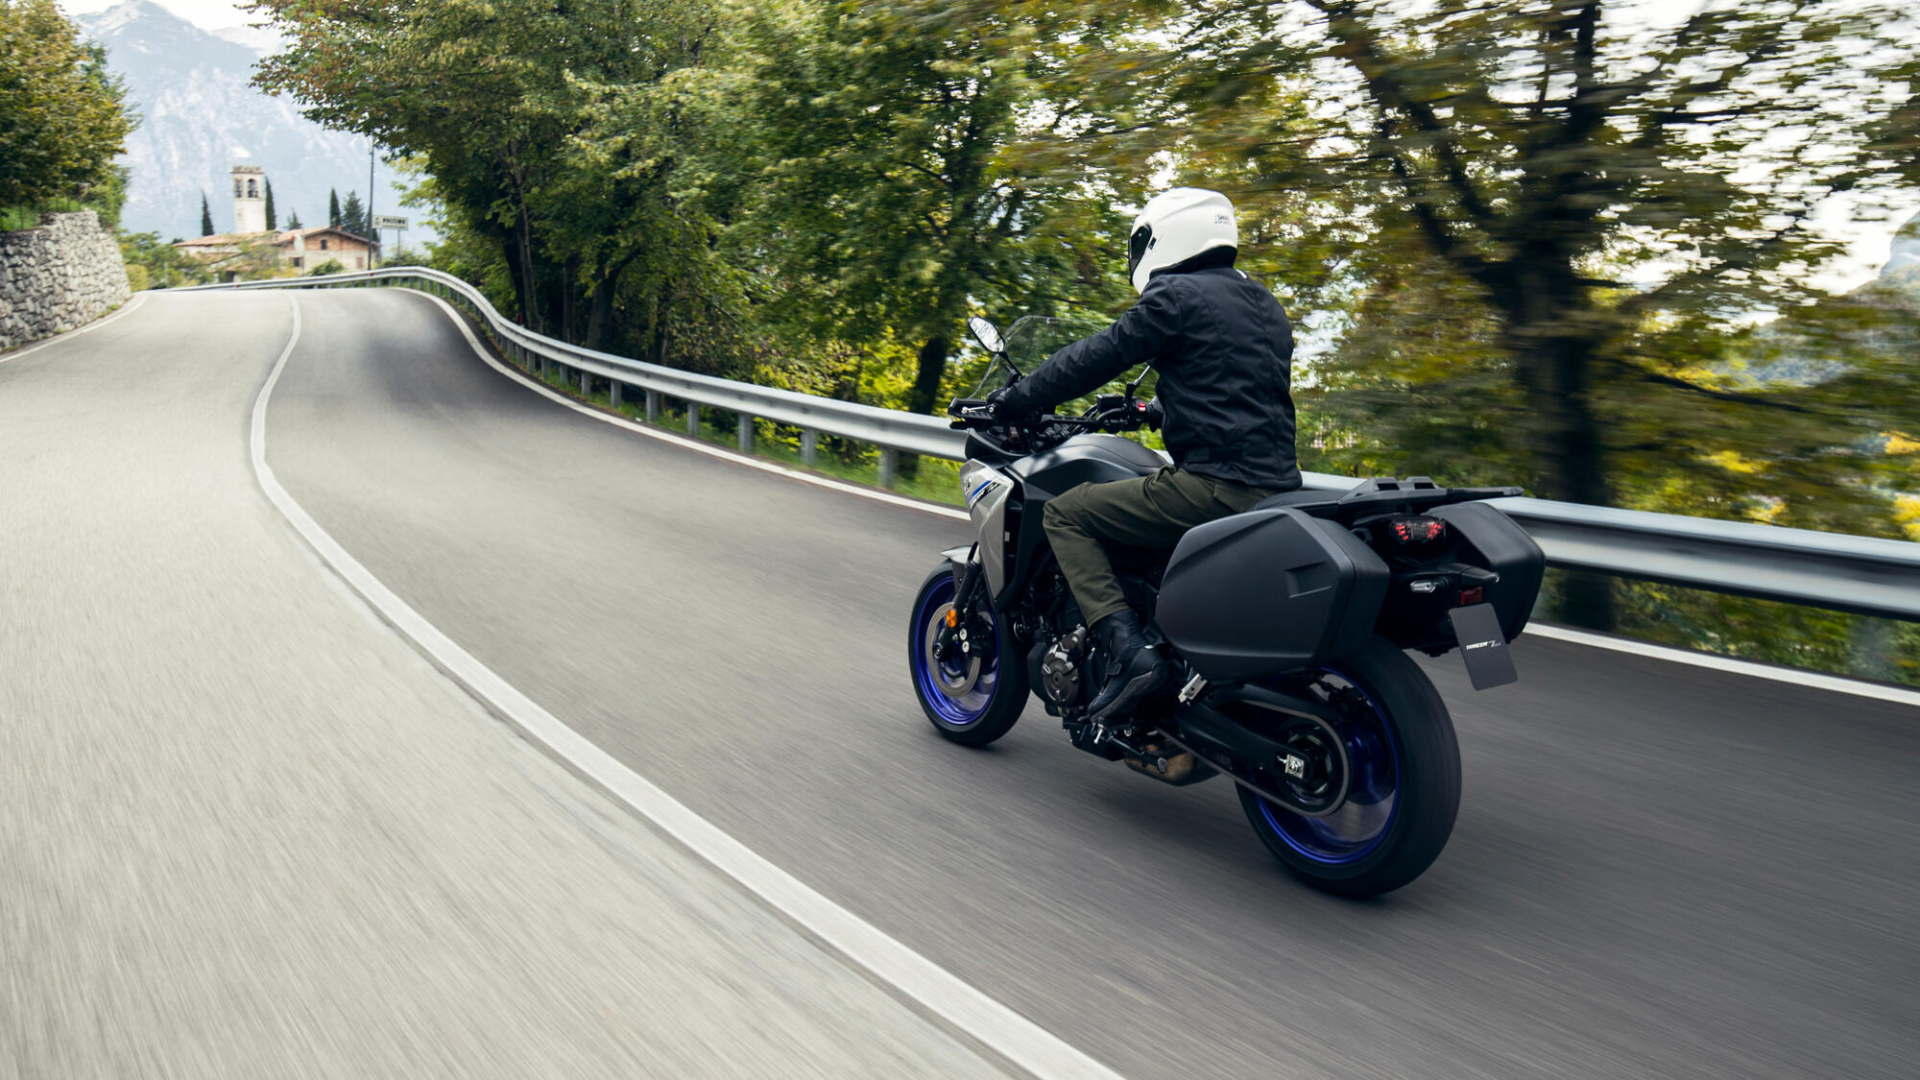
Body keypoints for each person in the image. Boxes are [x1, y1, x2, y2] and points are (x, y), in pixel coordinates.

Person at [988, 187, 1300, 722]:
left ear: (1164, 238)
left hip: (1214, 487)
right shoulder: (1262, 302)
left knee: (1067, 513)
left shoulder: (1175, 296)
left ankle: (1128, 653)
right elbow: (1235, 388)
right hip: (1277, 491)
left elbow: (1096, 356)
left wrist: (1018, 399)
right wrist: (1155, 411)